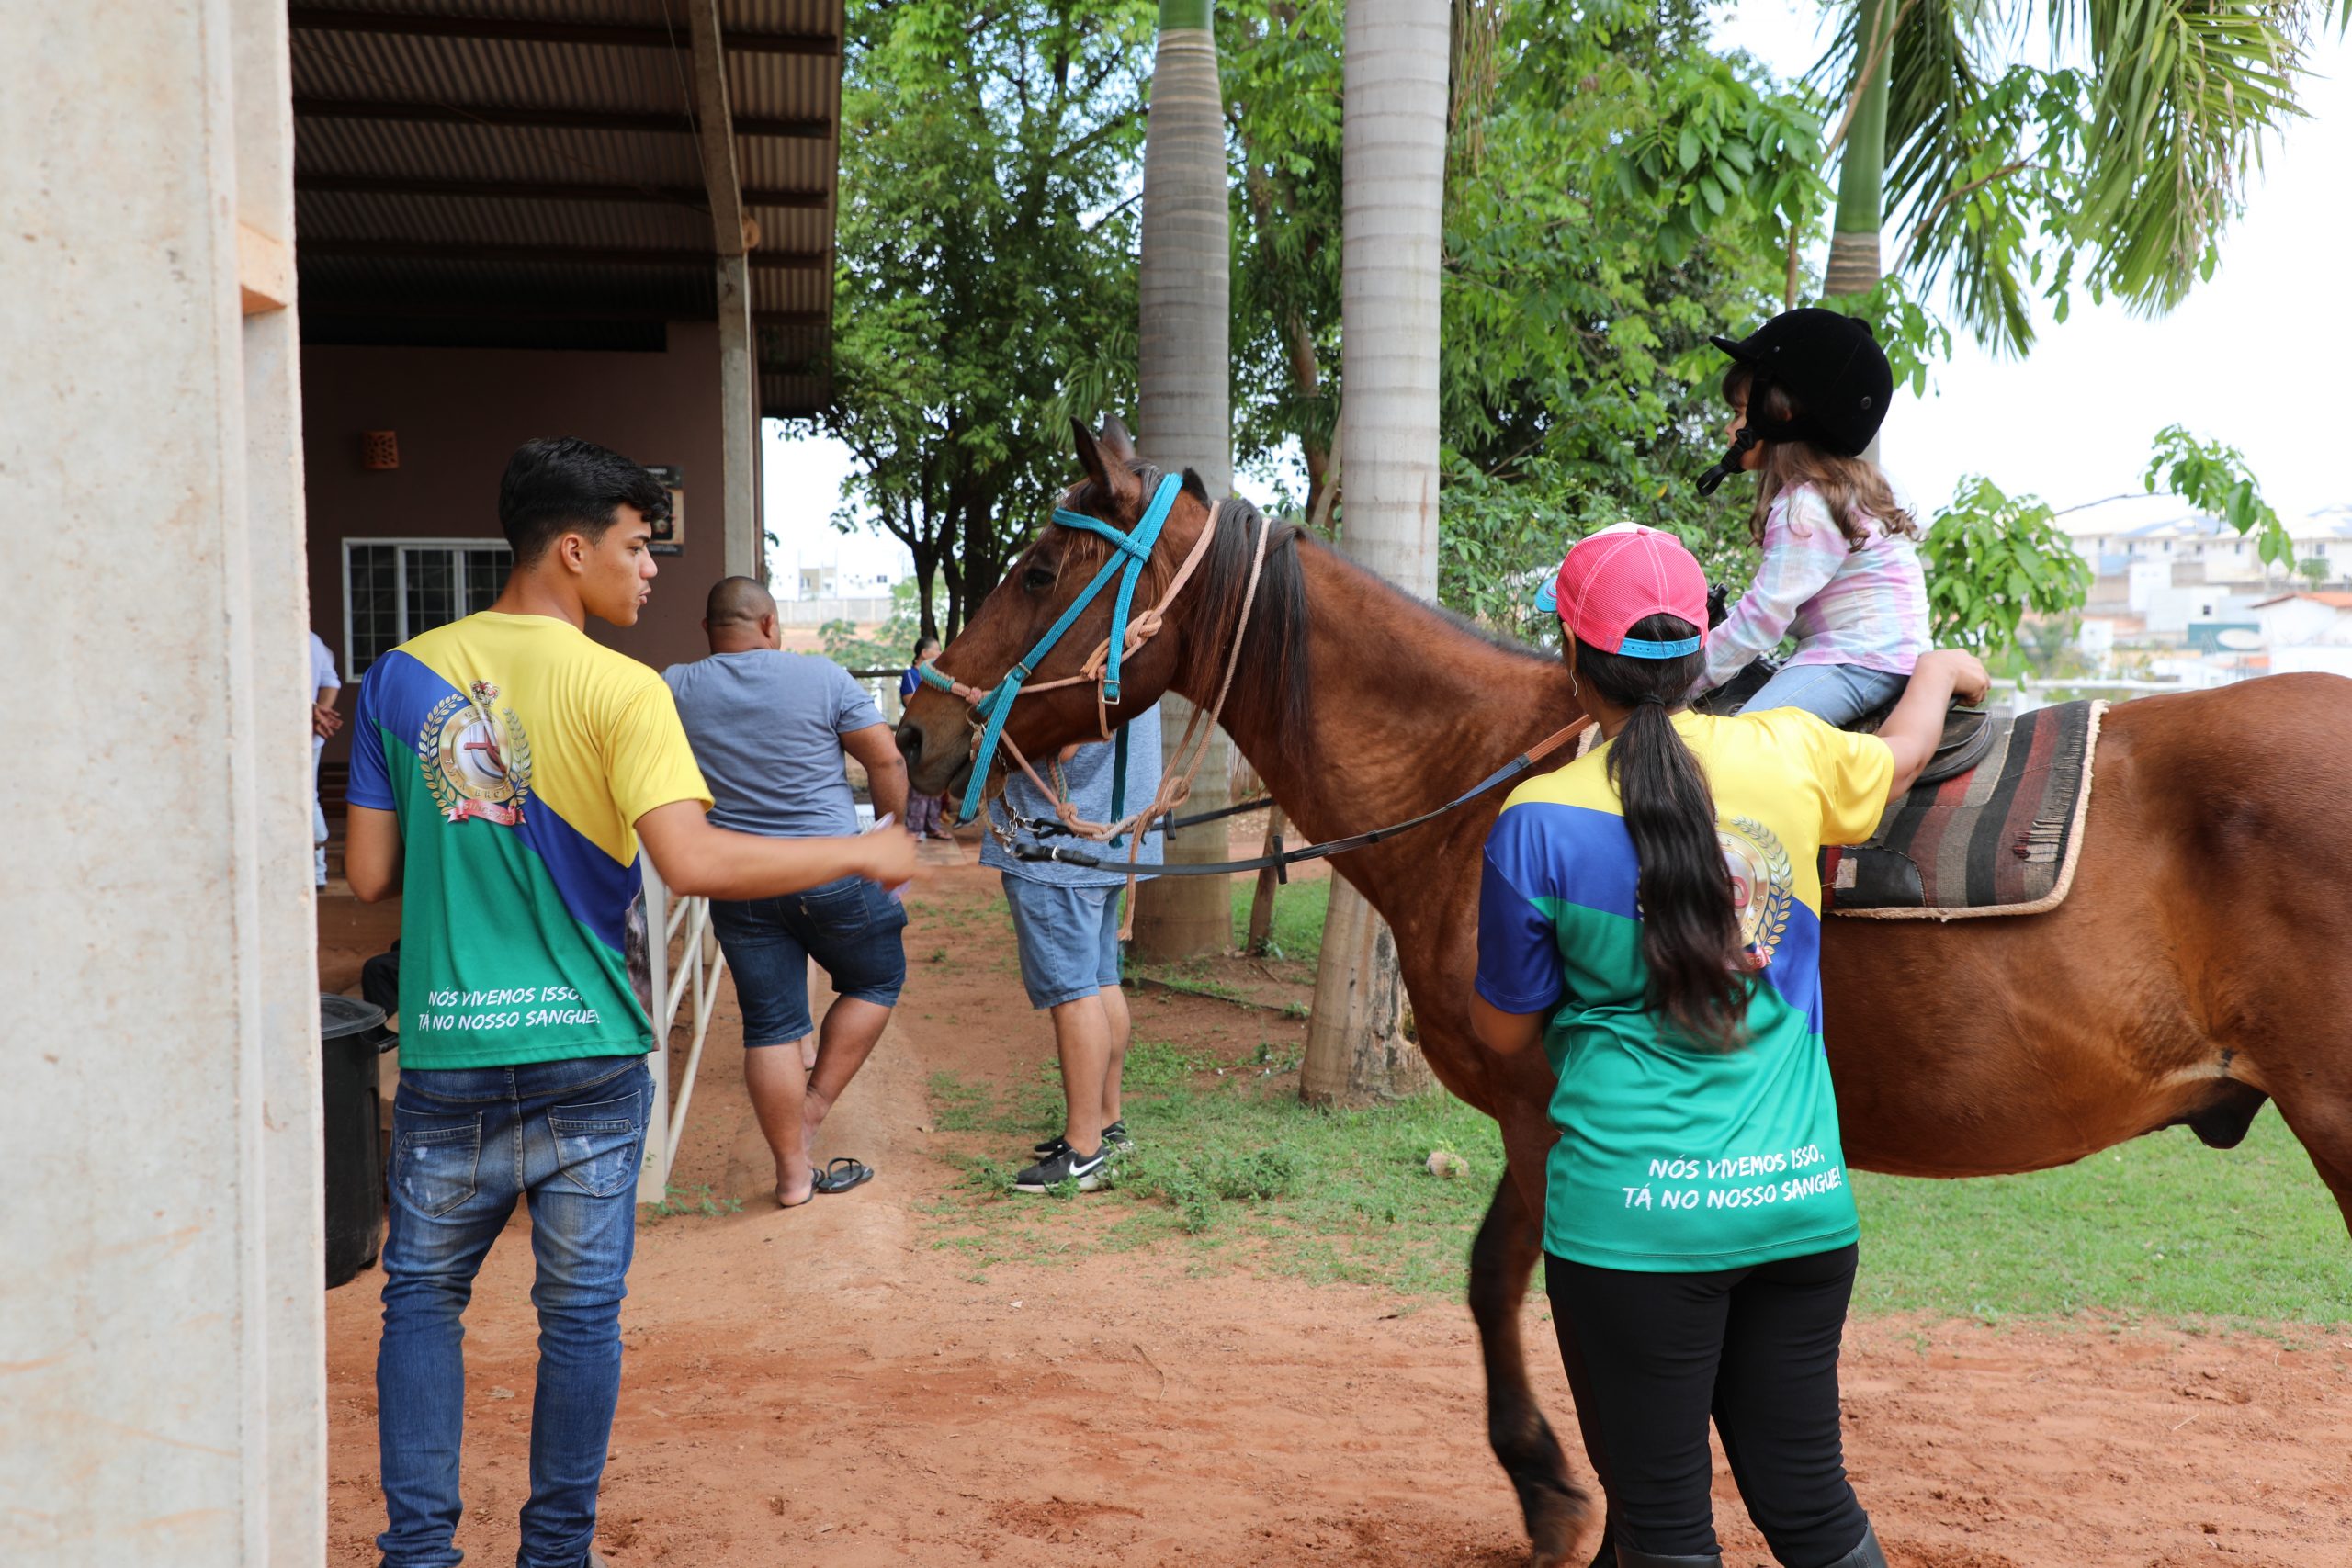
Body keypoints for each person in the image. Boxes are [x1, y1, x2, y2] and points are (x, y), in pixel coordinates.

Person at [343, 436, 917, 1568]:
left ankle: (417, 1555)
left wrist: (467, 814)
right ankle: (556, 1554)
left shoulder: (397, 678)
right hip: (588, 1053)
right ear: (573, 548)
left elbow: (366, 876)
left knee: (420, 1306)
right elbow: (692, 862)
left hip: (448, 1054)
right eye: (638, 546)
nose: (651, 571)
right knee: (578, 1321)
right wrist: (857, 850)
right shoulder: (622, 688)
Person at [1470, 524, 1986, 1568]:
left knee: (1663, 1530)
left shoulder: (1536, 818)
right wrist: (1936, 671)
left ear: (1575, 660)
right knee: (1813, 1510)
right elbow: (1902, 759)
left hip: (1631, 1228)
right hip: (1800, 1208)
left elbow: (1503, 1030)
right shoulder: (1791, 751)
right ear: (1702, 653)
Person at [665, 576, 912, 1208]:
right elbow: (886, 758)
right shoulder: (822, 676)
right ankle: (812, 1109)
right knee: (876, 979)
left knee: (770, 1024)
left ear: (708, 630)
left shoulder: (675, 687)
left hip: (740, 880)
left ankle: (793, 1176)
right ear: (770, 624)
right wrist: (890, 835)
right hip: (833, 872)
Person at [1690, 309, 1930, 728]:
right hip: (1881, 654)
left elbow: (1763, 616)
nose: (1729, 429)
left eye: (1739, 413)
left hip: (1856, 659)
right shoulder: (1851, 486)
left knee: (1744, 743)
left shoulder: (1806, 505)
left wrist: (1682, 682)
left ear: (1779, 415)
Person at [978, 710, 1163, 1193]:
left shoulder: (1087, 652)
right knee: (1100, 980)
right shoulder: (1134, 657)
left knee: (1075, 992)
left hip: (1059, 849)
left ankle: (1084, 1152)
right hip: (1107, 838)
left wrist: (986, 721)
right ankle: (1106, 1126)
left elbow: (1061, 741)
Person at [899, 637, 952, 840]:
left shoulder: (936, 677)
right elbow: (912, 702)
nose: (940, 653)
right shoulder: (911, 675)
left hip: (937, 733)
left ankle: (932, 826)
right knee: (919, 781)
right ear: (924, 653)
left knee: (936, 779)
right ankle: (913, 829)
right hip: (918, 735)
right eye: (936, 649)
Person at [310, 629, 344, 886]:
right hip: (309, 732)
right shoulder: (312, 639)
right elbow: (331, 682)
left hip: (302, 734)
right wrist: (318, 711)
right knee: (309, 797)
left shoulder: (308, 639)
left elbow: (331, 681)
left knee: (306, 798)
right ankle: (318, 872)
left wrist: (317, 712)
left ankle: (318, 871)